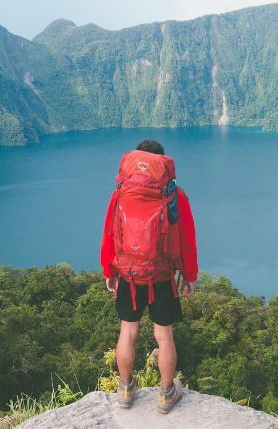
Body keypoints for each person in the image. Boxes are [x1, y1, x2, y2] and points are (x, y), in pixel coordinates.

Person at [100, 139, 198, 414]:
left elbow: (109, 232)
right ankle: (167, 394)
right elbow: (188, 239)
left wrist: (109, 270)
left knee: (127, 332)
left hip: (129, 275)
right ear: (162, 164)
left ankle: (125, 389)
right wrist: (189, 275)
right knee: (164, 336)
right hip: (162, 276)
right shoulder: (174, 196)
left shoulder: (121, 192)